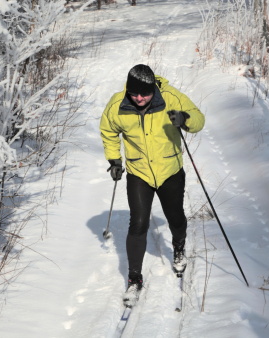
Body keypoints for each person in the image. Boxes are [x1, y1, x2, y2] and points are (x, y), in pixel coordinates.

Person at [99, 64, 205, 306]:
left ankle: (179, 247)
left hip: (169, 170)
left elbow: (199, 120)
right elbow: (108, 130)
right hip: (139, 173)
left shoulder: (170, 98)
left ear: (152, 91)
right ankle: (134, 279)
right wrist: (114, 159)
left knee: (176, 218)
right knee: (138, 224)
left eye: (144, 94)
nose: (139, 98)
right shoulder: (118, 105)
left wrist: (185, 119)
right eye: (134, 94)